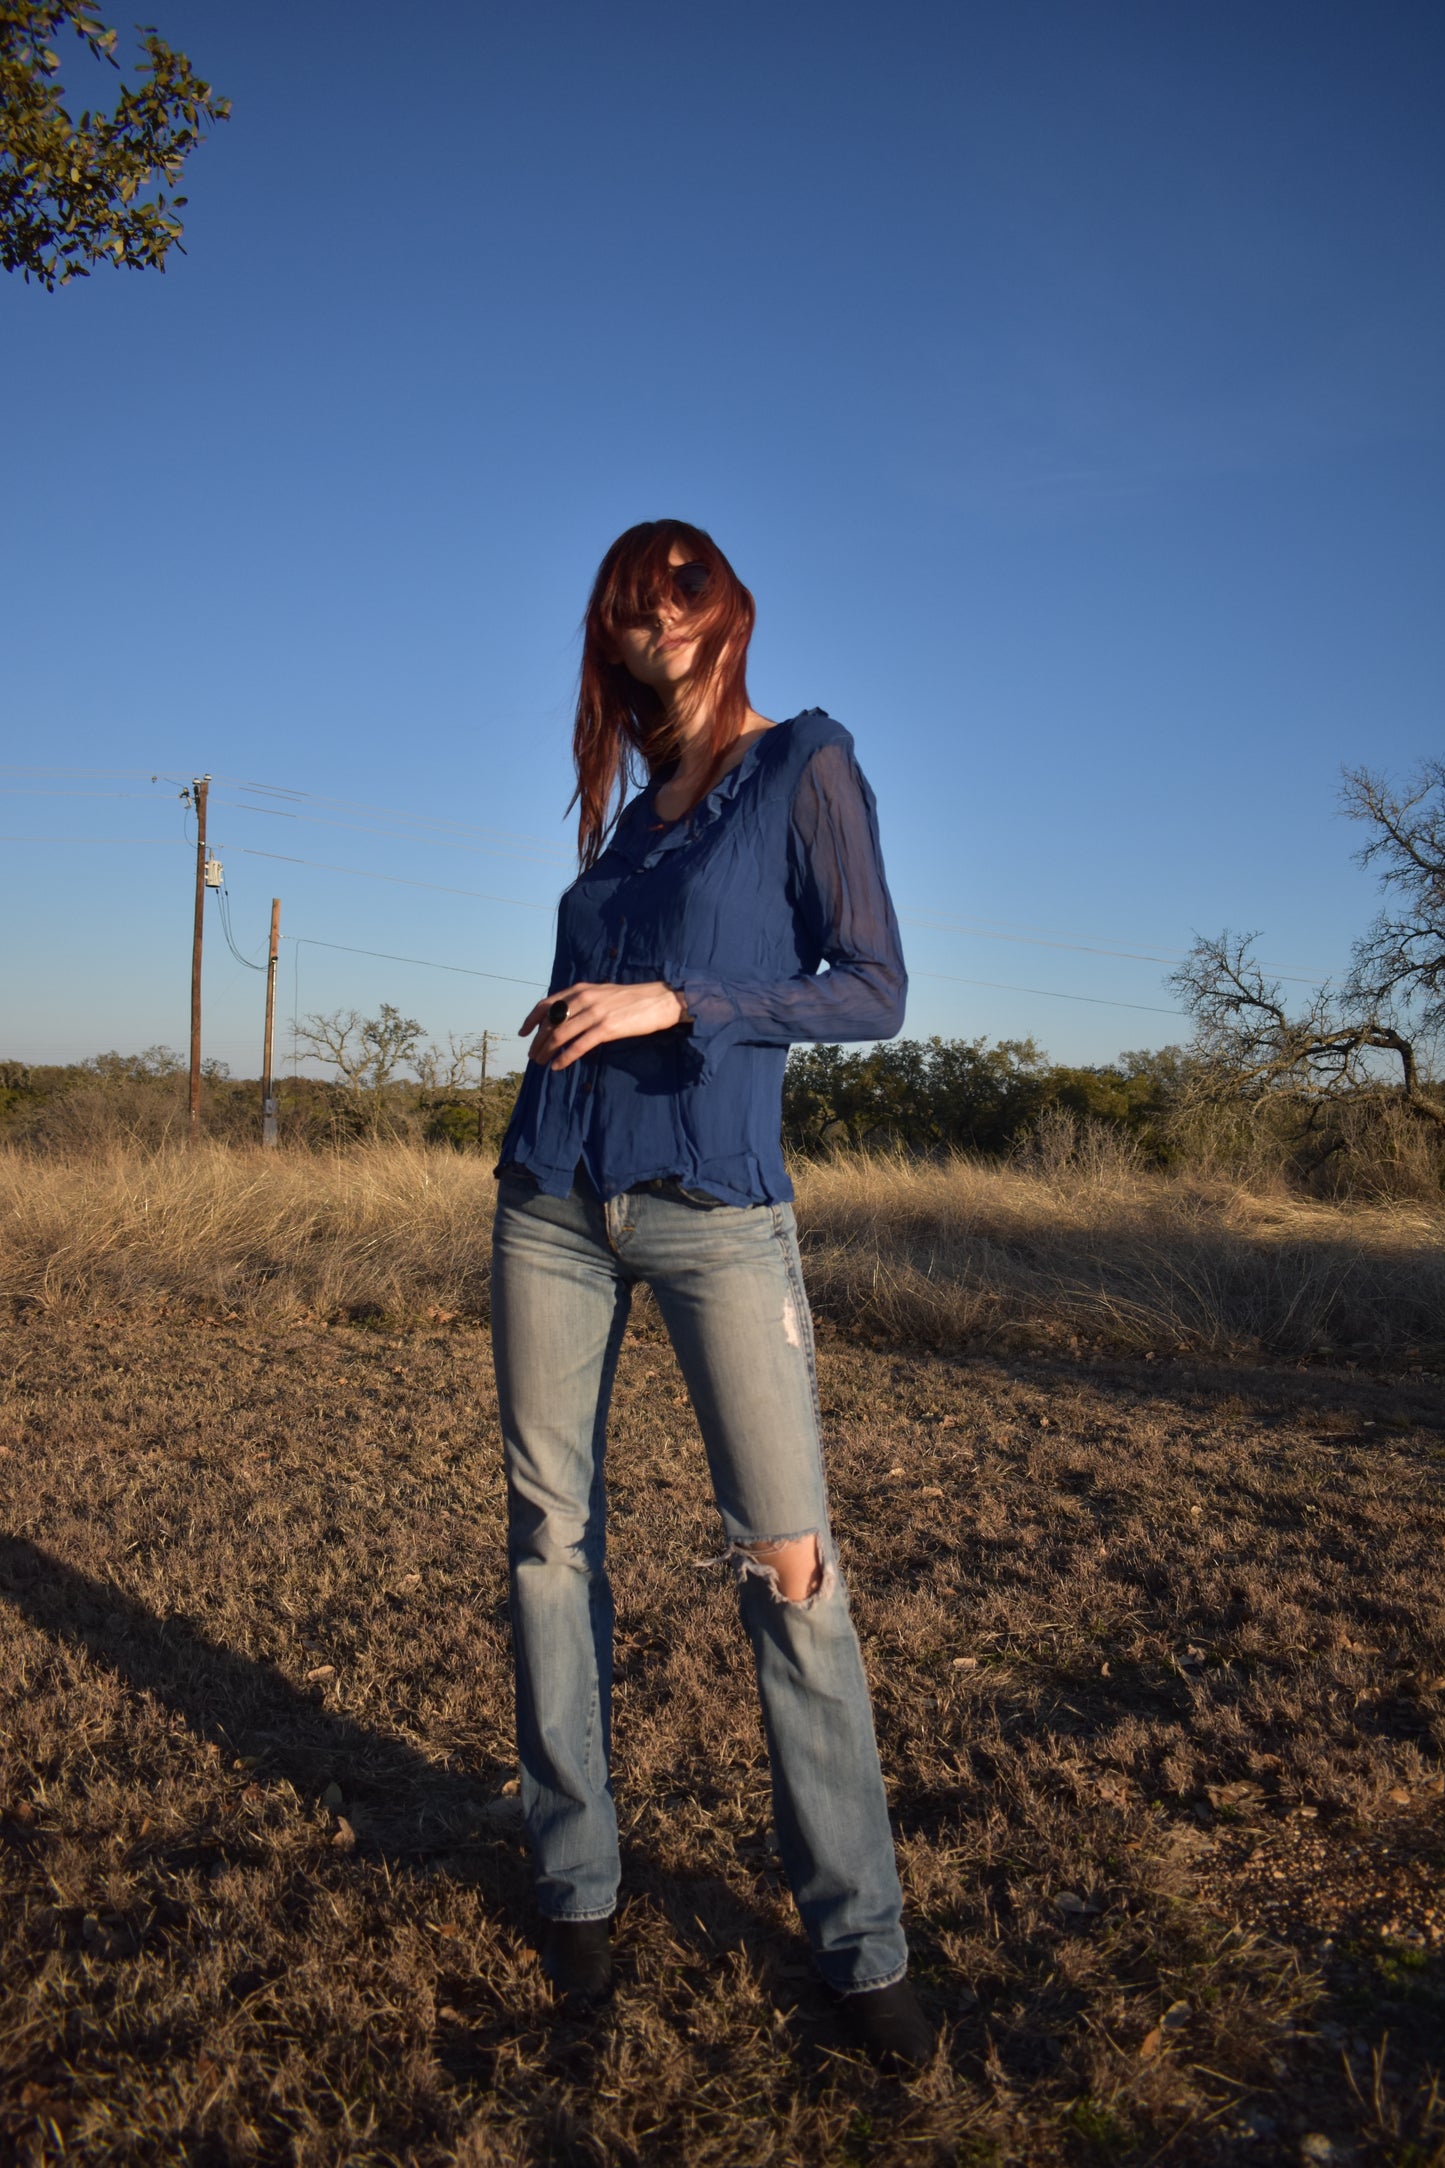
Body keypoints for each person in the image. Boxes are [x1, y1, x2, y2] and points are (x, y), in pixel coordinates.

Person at [490, 518, 933, 2069]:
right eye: (626, 609)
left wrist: (687, 997)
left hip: (713, 1212)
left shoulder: (801, 764)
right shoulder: (620, 824)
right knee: (551, 1545)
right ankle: (574, 1882)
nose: (651, 628)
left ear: (726, 611)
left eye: (679, 601)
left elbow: (871, 986)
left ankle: (860, 1942)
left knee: (790, 1566)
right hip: (548, 1199)